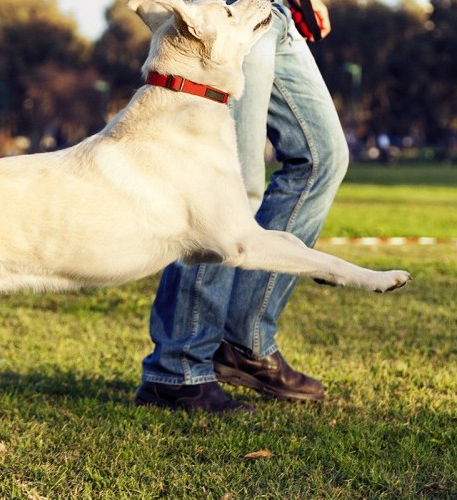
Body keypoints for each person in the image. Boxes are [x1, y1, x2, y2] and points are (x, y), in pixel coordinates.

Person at [135, 0, 348, 413]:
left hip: (276, 14)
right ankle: (178, 368)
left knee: (322, 159)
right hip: (224, 15)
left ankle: (243, 342)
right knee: (230, 190)